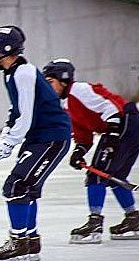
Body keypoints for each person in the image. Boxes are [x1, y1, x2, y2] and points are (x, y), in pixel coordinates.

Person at [0, 25, 71, 261]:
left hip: (51, 137)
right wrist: (6, 137)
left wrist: (11, 141)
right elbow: (16, 111)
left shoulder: (24, 72)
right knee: (26, 188)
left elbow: (26, 116)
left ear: (7, 49)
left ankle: (19, 243)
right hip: (38, 138)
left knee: (16, 186)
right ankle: (30, 241)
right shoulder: (10, 73)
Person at [43, 58, 139, 243]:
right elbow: (83, 133)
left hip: (125, 124)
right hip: (129, 127)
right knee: (115, 175)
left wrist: (111, 137)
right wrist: (79, 150)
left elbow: (110, 107)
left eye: (50, 82)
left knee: (98, 175)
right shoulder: (67, 104)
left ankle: (95, 222)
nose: (48, 88)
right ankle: (133, 219)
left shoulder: (78, 90)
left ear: (63, 80)